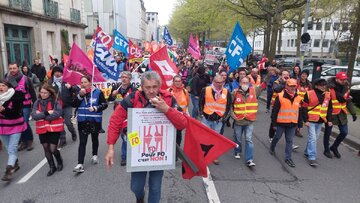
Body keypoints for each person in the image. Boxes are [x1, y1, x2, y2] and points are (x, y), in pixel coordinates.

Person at [105, 72, 187, 203]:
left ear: (160, 86)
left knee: (155, 187)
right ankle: (140, 197)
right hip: (138, 149)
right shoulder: (132, 99)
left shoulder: (168, 99)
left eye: (155, 87)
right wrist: (111, 147)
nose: (152, 91)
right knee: (136, 186)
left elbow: (182, 123)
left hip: (159, 151)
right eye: (148, 87)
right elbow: (115, 121)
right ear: (141, 86)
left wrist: (166, 109)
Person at [73, 75, 108, 173]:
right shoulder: (79, 92)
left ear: (90, 83)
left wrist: (96, 108)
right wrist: (80, 96)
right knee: (82, 142)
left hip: (94, 120)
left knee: (94, 138)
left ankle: (94, 155)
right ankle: (80, 164)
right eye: (82, 82)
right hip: (82, 120)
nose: (83, 84)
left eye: (85, 82)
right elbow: (73, 104)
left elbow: (105, 104)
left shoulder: (97, 92)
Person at [199, 74, 232, 165]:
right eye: (217, 82)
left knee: (215, 139)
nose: (219, 84)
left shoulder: (226, 92)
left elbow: (229, 106)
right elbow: (200, 102)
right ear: (213, 82)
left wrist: (224, 118)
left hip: (218, 120)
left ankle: (214, 156)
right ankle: (203, 155)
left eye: (221, 82)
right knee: (204, 138)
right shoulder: (205, 90)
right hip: (206, 118)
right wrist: (201, 114)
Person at [323, 72, 357, 158]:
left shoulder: (346, 88)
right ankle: (326, 149)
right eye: (342, 79)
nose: (344, 81)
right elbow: (325, 102)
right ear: (336, 79)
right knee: (328, 132)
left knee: (344, 132)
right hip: (330, 114)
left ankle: (334, 147)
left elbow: (348, 101)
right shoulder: (329, 88)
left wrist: (353, 113)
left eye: (345, 79)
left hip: (342, 114)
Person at [31, 84, 63, 176]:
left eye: (45, 93)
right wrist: (46, 113)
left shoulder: (55, 101)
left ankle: (59, 161)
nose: (43, 94)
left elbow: (57, 114)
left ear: (50, 93)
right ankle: (52, 167)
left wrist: (42, 116)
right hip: (42, 129)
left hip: (54, 128)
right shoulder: (37, 102)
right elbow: (34, 116)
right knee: (46, 148)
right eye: (41, 92)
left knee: (53, 149)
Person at [270, 79, 302, 167]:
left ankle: (288, 158)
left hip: (292, 124)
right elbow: (275, 111)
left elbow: (299, 112)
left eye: (294, 86)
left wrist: (299, 125)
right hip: (281, 123)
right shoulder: (280, 96)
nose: (292, 88)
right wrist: (274, 124)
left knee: (289, 141)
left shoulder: (298, 98)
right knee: (277, 137)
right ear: (286, 86)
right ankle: (272, 147)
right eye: (291, 86)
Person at [107, 71, 137, 166]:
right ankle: (124, 156)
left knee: (131, 136)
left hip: (130, 116)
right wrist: (113, 95)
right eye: (122, 77)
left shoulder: (133, 89)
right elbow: (109, 100)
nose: (123, 79)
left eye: (126, 77)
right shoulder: (116, 87)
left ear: (130, 79)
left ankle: (134, 154)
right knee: (123, 137)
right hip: (119, 116)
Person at [230, 77, 261, 167]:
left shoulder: (254, 91)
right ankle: (237, 151)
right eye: (243, 82)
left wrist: (269, 74)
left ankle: (249, 159)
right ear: (239, 83)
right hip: (238, 121)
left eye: (247, 82)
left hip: (249, 121)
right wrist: (233, 115)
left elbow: (263, 86)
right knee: (238, 138)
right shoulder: (235, 92)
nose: (245, 84)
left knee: (248, 139)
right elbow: (230, 105)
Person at [6, 63, 37, 151]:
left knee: (25, 122)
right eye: (10, 68)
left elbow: (32, 92)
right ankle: (23, 141)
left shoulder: (26, 79)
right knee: (18, 123)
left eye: (14, 68)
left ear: (18, 69)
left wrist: (35, 104)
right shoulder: (7, 79)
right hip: (13, 105)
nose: (12, 70)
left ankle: (29, 140)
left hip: (25, 104)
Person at [302, 79, 332, 166]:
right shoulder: (309, 93)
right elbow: (304, 108)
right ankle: (312, 157)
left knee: (314, 138)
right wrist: (305, 120)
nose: (323, 86)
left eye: (325, 85)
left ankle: (307, 151)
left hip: (320, 120)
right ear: (316, 86)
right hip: (311, 120)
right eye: (321, 85)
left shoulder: (327, 95)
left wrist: (329, 120)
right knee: (313, 139)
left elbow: (329, 109)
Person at [0, 79, 26, 181]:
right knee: (8, 148)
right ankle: (15, 163)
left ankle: (9, 170)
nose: (1, 88)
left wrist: (4, 110)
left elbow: (16, 112)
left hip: (15, 125)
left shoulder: (16, 96)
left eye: (3, 85)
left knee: (12, 148)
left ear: (8, 87)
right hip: (2, 127)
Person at [48, 66, 78, 146]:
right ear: (53, 72)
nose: (58, 74)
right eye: (56, 72)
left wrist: (70, 87)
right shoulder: (50, 82)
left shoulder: (67, 79)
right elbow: (47, 92)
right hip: (56, 106)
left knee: (68, 122)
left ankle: (73, 132)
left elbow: (76, 89)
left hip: (67, 105)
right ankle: (62, 139)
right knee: (59, 123)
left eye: (60, 72)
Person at [168, 75, 190, 150]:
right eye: (176, 81)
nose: (178, 83)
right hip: (170, 118)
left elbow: (187, 104)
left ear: (181, 82)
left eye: (179, 81)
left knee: (178, 135)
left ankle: (176, 153)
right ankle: (170, 151)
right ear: (173, 82)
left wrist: (187, 115)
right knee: (170, 135)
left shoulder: (185, 91)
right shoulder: (168, 91)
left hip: (180, 118)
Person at [295, 69, 312, 137]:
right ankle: (294, 129)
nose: (303, 75)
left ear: (307, 76)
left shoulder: (309, 84)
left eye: (305, 74)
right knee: (296, 117)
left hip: (304, 104)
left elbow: (311, 94)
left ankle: (298, 130)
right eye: (302, 73)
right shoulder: (296, 82)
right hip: (296, 103)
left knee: (301, 118)